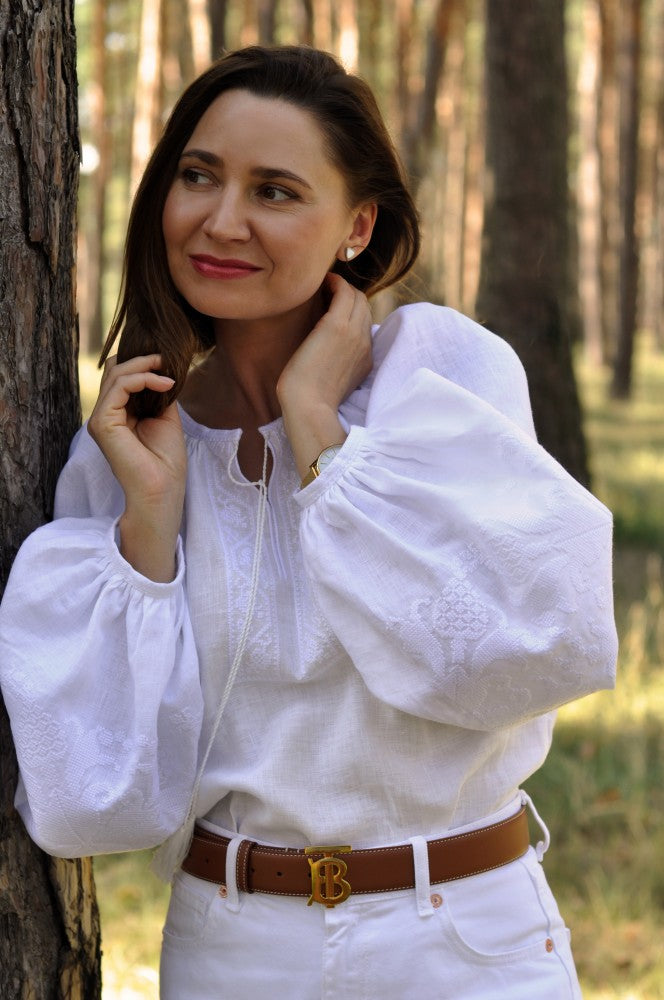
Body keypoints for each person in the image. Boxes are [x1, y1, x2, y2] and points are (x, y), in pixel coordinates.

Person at [0, 45, 617, 999]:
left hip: (467, 940)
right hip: (234, 949)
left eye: (275, 191)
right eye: (198, 176)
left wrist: (320, 434)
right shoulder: (130, 450)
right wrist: (151, 527)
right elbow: (95, 798)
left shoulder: (439, 379)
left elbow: (535, 654)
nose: (222, 220)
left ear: (357, 225)